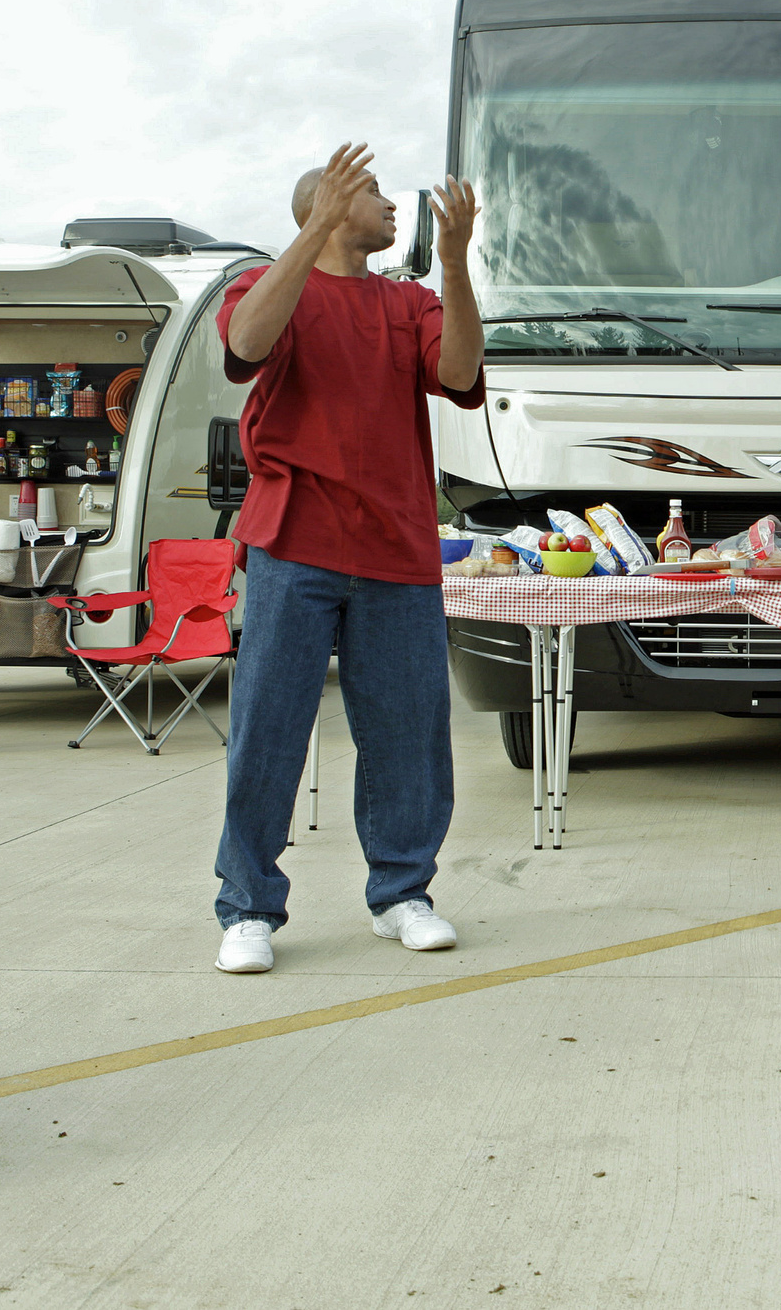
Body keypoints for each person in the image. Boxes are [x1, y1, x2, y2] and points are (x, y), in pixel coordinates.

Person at [211, 144, 486, 975]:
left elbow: (462, 368)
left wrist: (455, 263)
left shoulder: (407, 301)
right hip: (293, 542)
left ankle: (403, 893)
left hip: (396, 544)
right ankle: (249, 906)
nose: (391, 203)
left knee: (409, 731)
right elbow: (248, 345)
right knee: (269, 725)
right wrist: (315, 229)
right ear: (325, 207)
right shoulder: (267, 287)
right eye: (370, 192)